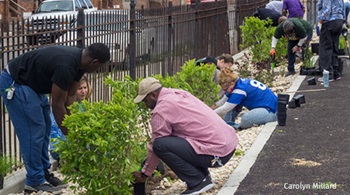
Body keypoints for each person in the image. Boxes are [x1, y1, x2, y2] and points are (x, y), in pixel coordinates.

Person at [0, 43, 110, 194]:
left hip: (31, 84)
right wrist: (71, 137)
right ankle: (34, 181)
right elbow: (57, 106)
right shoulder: (66, 66)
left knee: (44, 126)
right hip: (16, 82)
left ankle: (44, 172)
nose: (98, 70)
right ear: (94, 62)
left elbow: (70, 96)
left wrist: (77, 126)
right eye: (99, 67)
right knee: (34, 131)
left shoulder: (80, 64)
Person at [132, 77, 238, 195]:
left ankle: (198, 182)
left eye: (145, 100)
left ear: (152, 95)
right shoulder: (179, 93)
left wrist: (145, 173)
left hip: (218, 154)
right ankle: (202, 176)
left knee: (160, 145)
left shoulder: (161, 109)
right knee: (178, 137)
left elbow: (155, 145)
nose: (146, 105)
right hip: (229, 144)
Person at [211, 68, 277, 130]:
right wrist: (208, 109)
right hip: (267, 107)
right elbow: (221, 102)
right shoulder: (239, 84)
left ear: (231, 84)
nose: (225, 91)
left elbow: (224, 109)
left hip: (271, 111)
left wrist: (209, 115)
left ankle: (235, 126)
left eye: (225, 89)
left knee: (246, 119)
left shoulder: (239, 90)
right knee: (232, 102)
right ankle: (228, 123)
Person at [49, 75, 92, 164]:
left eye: (85, 87)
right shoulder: (62, 105)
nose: (83, 91)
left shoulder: (83, 105)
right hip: (61, 147)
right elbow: (55, 131)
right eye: (80, 88)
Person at [318, 0, 345, 81]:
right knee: (334, 47)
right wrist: (343, 19)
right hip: (339, 21)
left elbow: (327, 7)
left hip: (329, 21)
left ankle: (328, 75)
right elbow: (343, 7)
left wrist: (322, 18)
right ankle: (336, 73)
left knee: (325, 48)